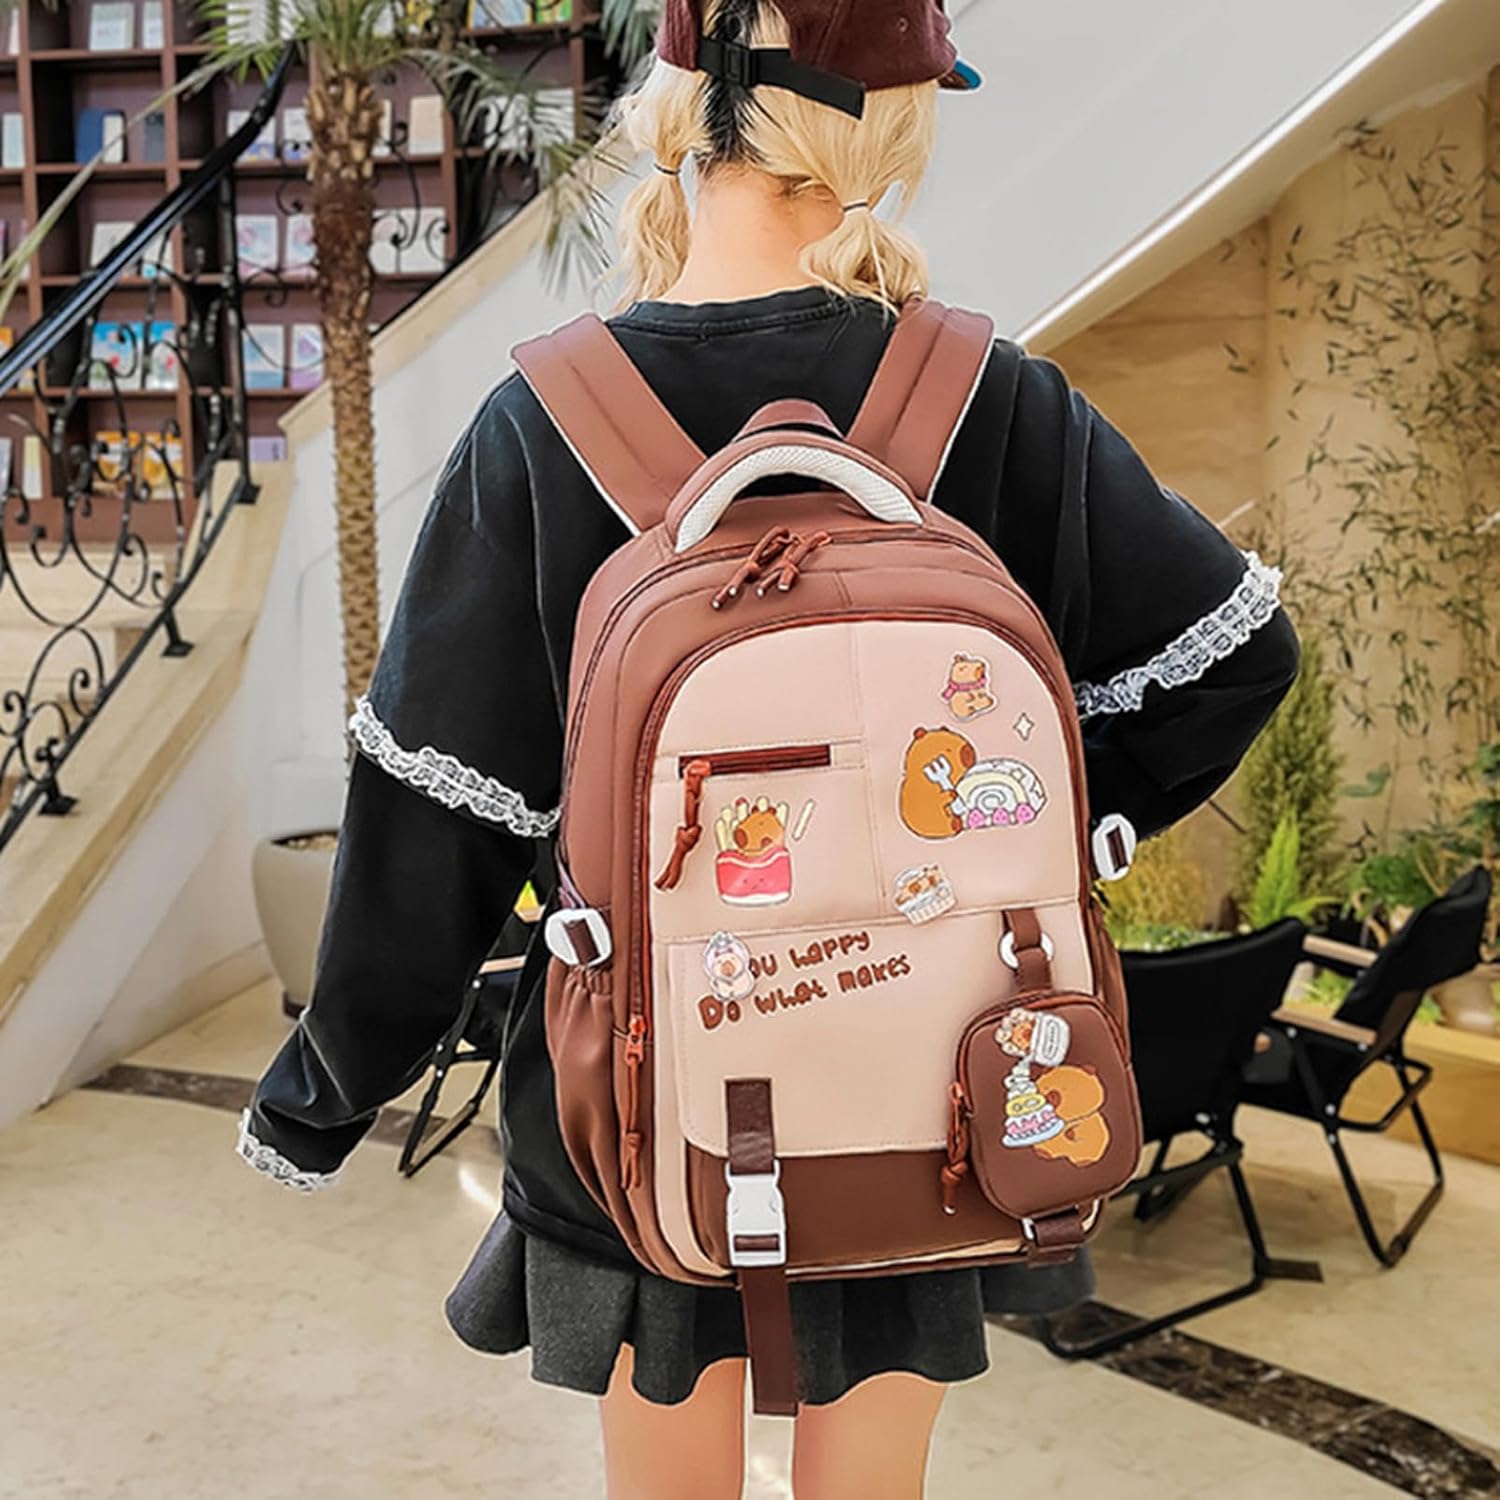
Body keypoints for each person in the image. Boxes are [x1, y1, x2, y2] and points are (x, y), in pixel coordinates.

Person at [236, 2, 1301, 1495]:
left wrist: (326, 1090)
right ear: (894, 128)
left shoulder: (543, 423)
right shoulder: (991, 395)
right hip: (934, 1076)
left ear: (678, 114)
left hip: (647, 1099)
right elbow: (1242, 657)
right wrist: (1063, 830)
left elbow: (436, 819)